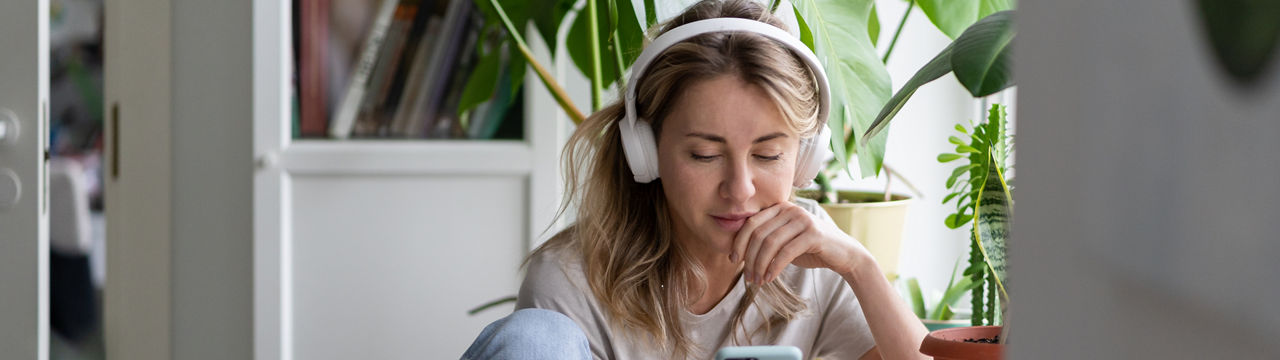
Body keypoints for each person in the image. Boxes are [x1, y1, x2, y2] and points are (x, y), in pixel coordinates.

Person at [463, 0, 927, 359]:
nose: (740, 189)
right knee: (535, 336)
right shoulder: (571, 280)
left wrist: (859, 267)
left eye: (768, 154)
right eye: (704, 154)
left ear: (805, 157)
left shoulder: (812, 261)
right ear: (644, 151)